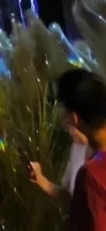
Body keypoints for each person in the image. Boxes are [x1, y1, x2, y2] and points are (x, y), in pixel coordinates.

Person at [30, 69, 106, 228]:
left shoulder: (91, 175)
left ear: (74, 117)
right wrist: (43, 181)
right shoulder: (85, 157)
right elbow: (77, 204)